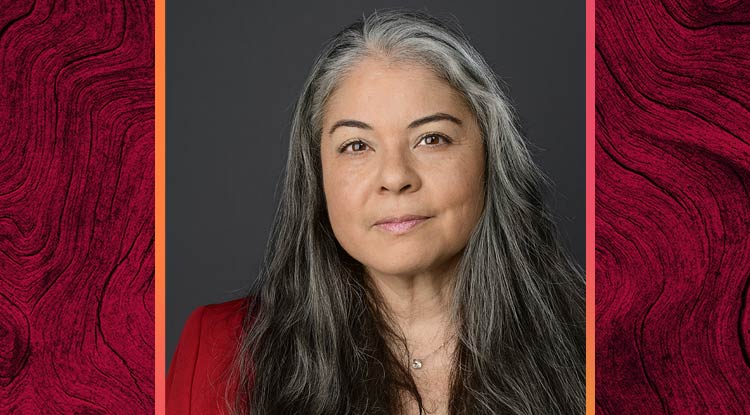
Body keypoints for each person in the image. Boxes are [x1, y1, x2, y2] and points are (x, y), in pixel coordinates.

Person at [167, 8, 585, 415]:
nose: (395, 177)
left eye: (431, 139)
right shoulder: (218, 349)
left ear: (491, 157)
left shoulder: (602, 346)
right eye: (356, 146)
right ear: (318, 177)